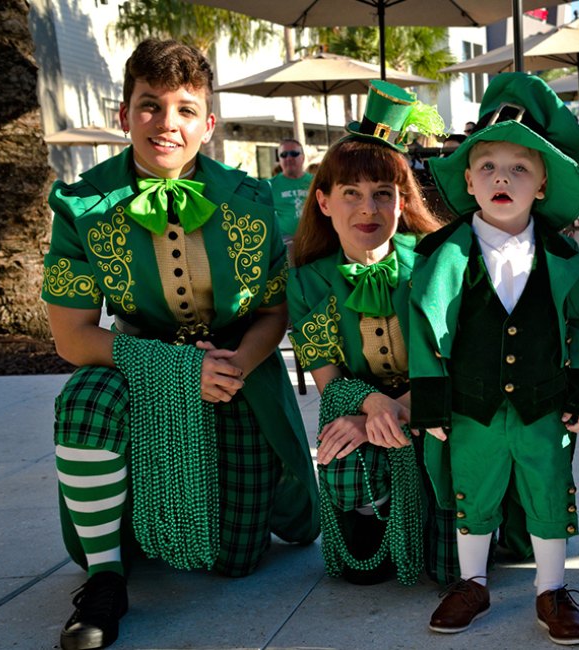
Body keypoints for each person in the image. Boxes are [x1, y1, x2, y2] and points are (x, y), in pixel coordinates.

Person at [41, 38, 320, 650]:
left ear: (209, 124)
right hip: (135, 365)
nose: (167, 124)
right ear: (124, 115)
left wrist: (238, 364)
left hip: (235, 375)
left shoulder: (252, 199)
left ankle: (163, 514)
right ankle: (105, 577)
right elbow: (70, 337)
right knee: (84, 399)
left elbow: (275, 313)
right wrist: (169, 367)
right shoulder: (80, 205)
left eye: (185, 109)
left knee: (234, 558)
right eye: (150, 106)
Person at [410, 72, 579, 646]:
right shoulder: (444, 254)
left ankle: (552, 588)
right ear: (468, 180)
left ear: (543, 185)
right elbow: (425, 325)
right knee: (474, 491)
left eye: (520, 168)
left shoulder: (563, 255)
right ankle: (472, 581)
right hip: (472, 407)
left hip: (544, 406)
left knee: (548, 488)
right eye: (488, 166)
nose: (502, 177)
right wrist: (430, 401)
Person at [286, 80, 457, 586]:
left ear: (403, 203)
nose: (369, 209)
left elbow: (458, 363)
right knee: (365, 569)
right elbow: (328, 381)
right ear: (323, 202)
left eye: (384, 194)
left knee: (452, 571)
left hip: (441, 405)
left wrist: (397, 409)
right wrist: (374, 410)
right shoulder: (306, 280)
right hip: (363, 407)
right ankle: (376, 509)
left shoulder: (434, 263)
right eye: (352, 194)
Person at [269, 139, 314, 245]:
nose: (289, 158)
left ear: (303, 157)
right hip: (286, 242)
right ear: (279, 159)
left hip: (314, 240)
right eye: (284, 155)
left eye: (294, 154)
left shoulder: (316, 182)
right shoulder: (269, 186)